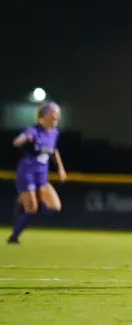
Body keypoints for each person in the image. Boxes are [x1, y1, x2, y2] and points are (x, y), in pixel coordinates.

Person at [7, 102, 68, 244]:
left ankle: (25, 202)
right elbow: (17, 141)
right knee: (32, 209)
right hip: (26, 173)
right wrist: (22, 139)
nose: (57, 116)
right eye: (54, 112)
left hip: (41, 176)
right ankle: (14, 237)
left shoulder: (54, 132)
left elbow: (54, 150)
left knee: (55, 207)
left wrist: (60, 168)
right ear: (45, 115)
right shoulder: (34, 130)